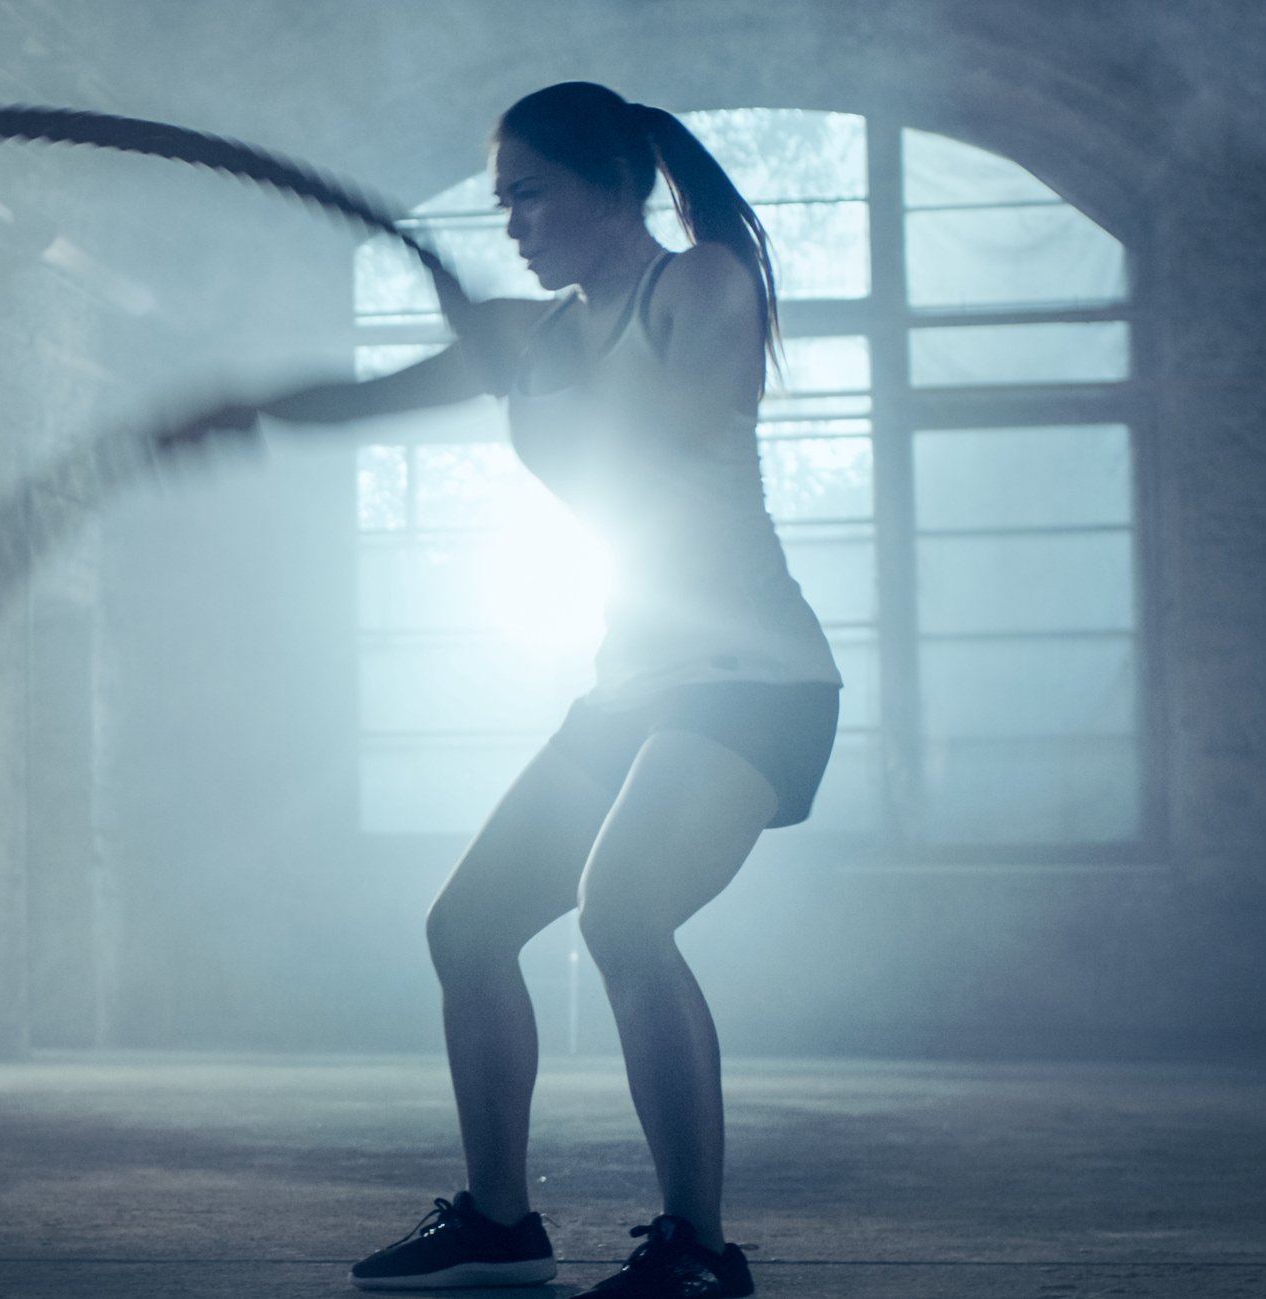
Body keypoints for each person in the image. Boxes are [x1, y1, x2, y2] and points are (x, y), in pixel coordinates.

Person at [160, 82, 841, 1298]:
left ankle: (697, 1250)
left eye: (530, 194)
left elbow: (672, 442)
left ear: (610, 188)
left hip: (754, 681)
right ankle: (497, 1223)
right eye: (500, 202)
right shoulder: (529, 338)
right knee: (465, 928)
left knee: (620, 915)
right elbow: (365, 401)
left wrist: (524, 371)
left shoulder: (700, 285)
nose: (513, 222)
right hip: (633, 685)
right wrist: (245, 411)